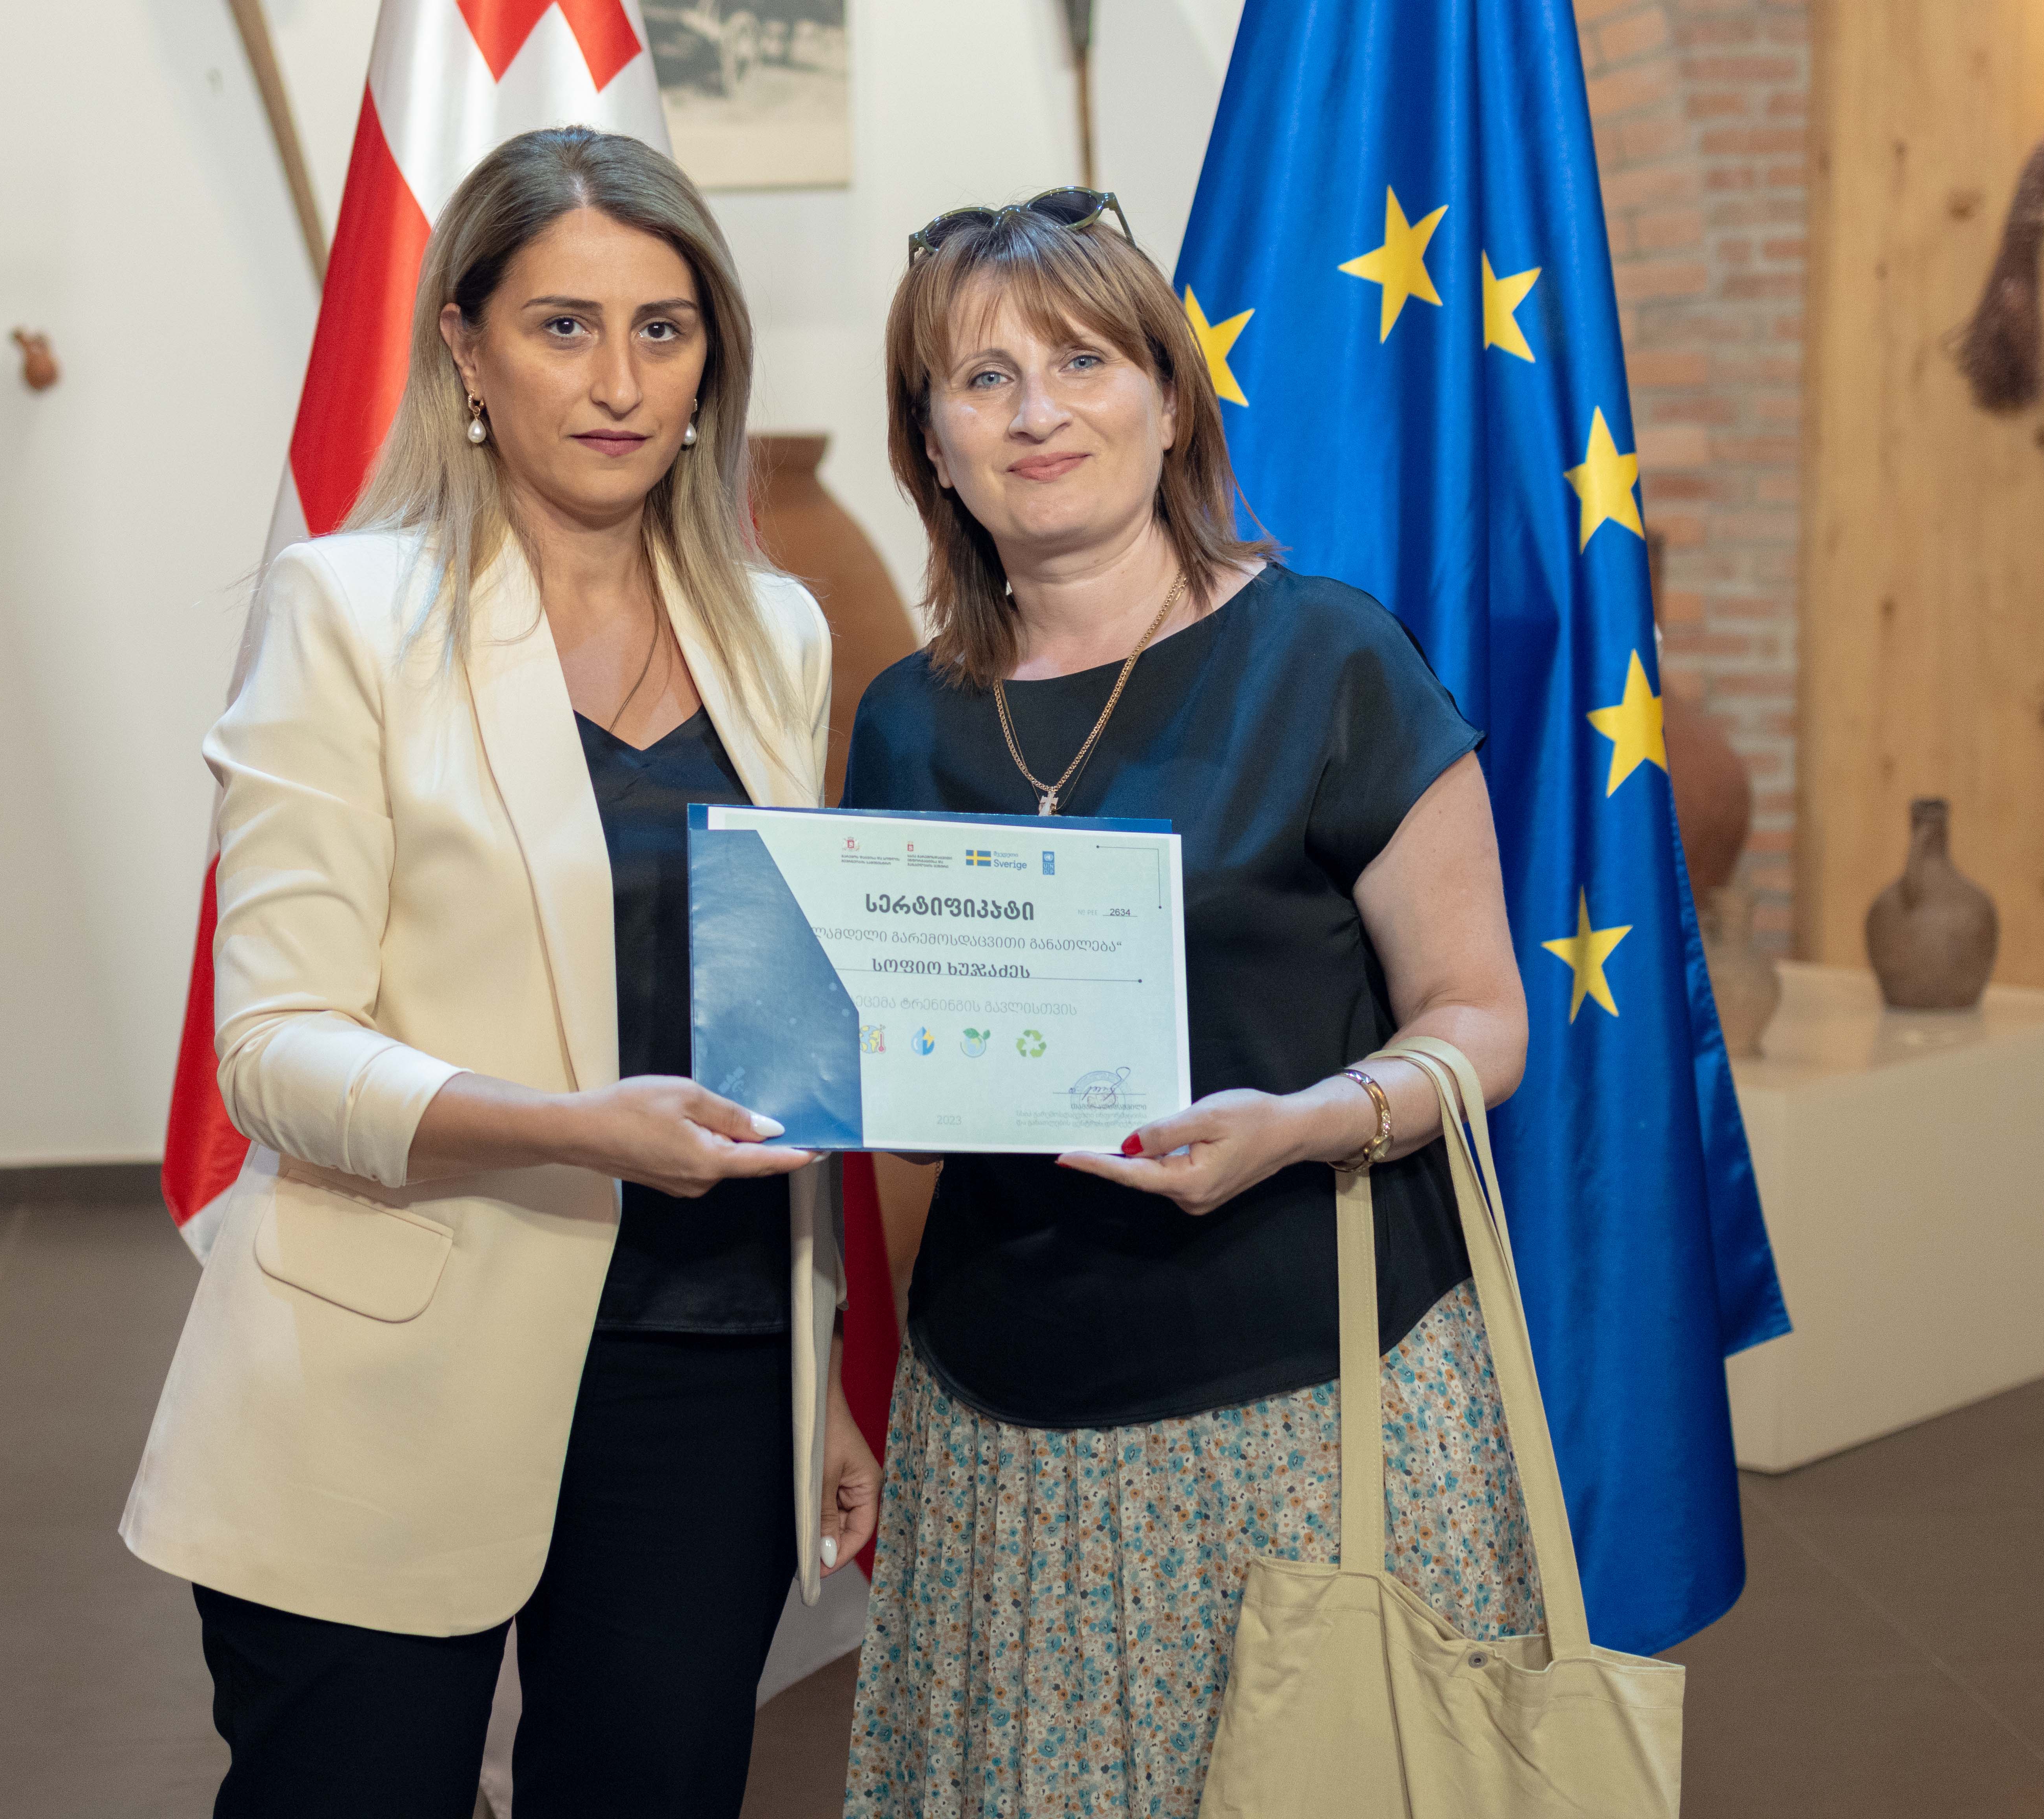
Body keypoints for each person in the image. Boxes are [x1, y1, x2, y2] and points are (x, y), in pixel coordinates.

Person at [120, 126, 880, 1819]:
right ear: (465, 345)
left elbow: (781, 1032)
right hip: (391, 1353)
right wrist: (572, 1127)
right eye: (562, 326)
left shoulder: (778, 630)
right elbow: (273, 1050)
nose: (619, 382)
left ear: (711, 359)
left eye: (663, 329)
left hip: (709, 1359)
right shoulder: (348, 610)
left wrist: (818, 1367)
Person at [838, 190, 1544, 1814]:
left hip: (1313, 1408)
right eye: (984, 378)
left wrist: (1301, 1125)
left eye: (1084, 361)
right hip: (1002, 1431)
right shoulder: (900, 725)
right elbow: (900, 1111)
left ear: (1170, 401)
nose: (1038, 412)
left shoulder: (1332, 662)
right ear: (932, 445)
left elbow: (1480, 1018)